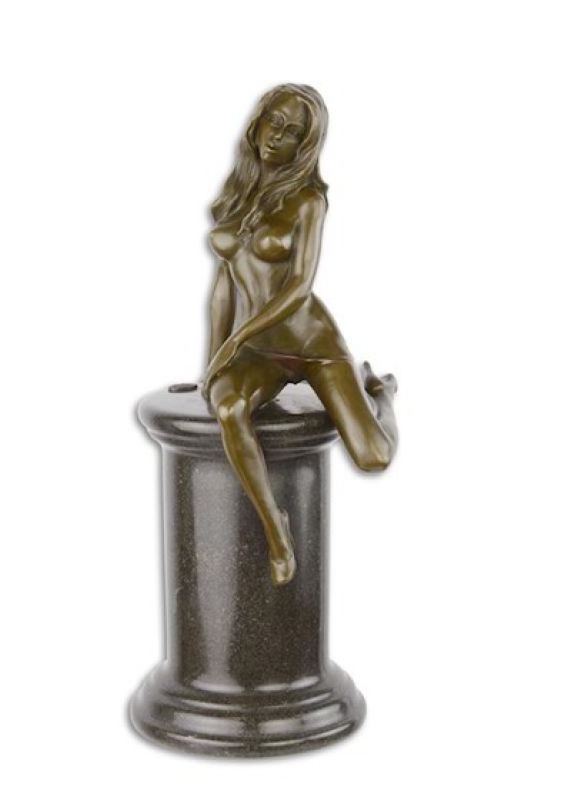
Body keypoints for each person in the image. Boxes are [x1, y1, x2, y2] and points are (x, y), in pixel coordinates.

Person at [202, 84, 397, 586]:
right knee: (228, 406)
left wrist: (234, 341)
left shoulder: (309, 200)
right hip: (259, 351)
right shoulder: (234, 194)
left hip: (312, 345)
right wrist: (212, 363)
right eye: (274, 121)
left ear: (304, 145)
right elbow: (223, 287)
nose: (277, 136)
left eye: (292, 132)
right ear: (258, 121)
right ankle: (278, 536)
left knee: (373, 457)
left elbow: (298, 288)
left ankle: (382, 394)